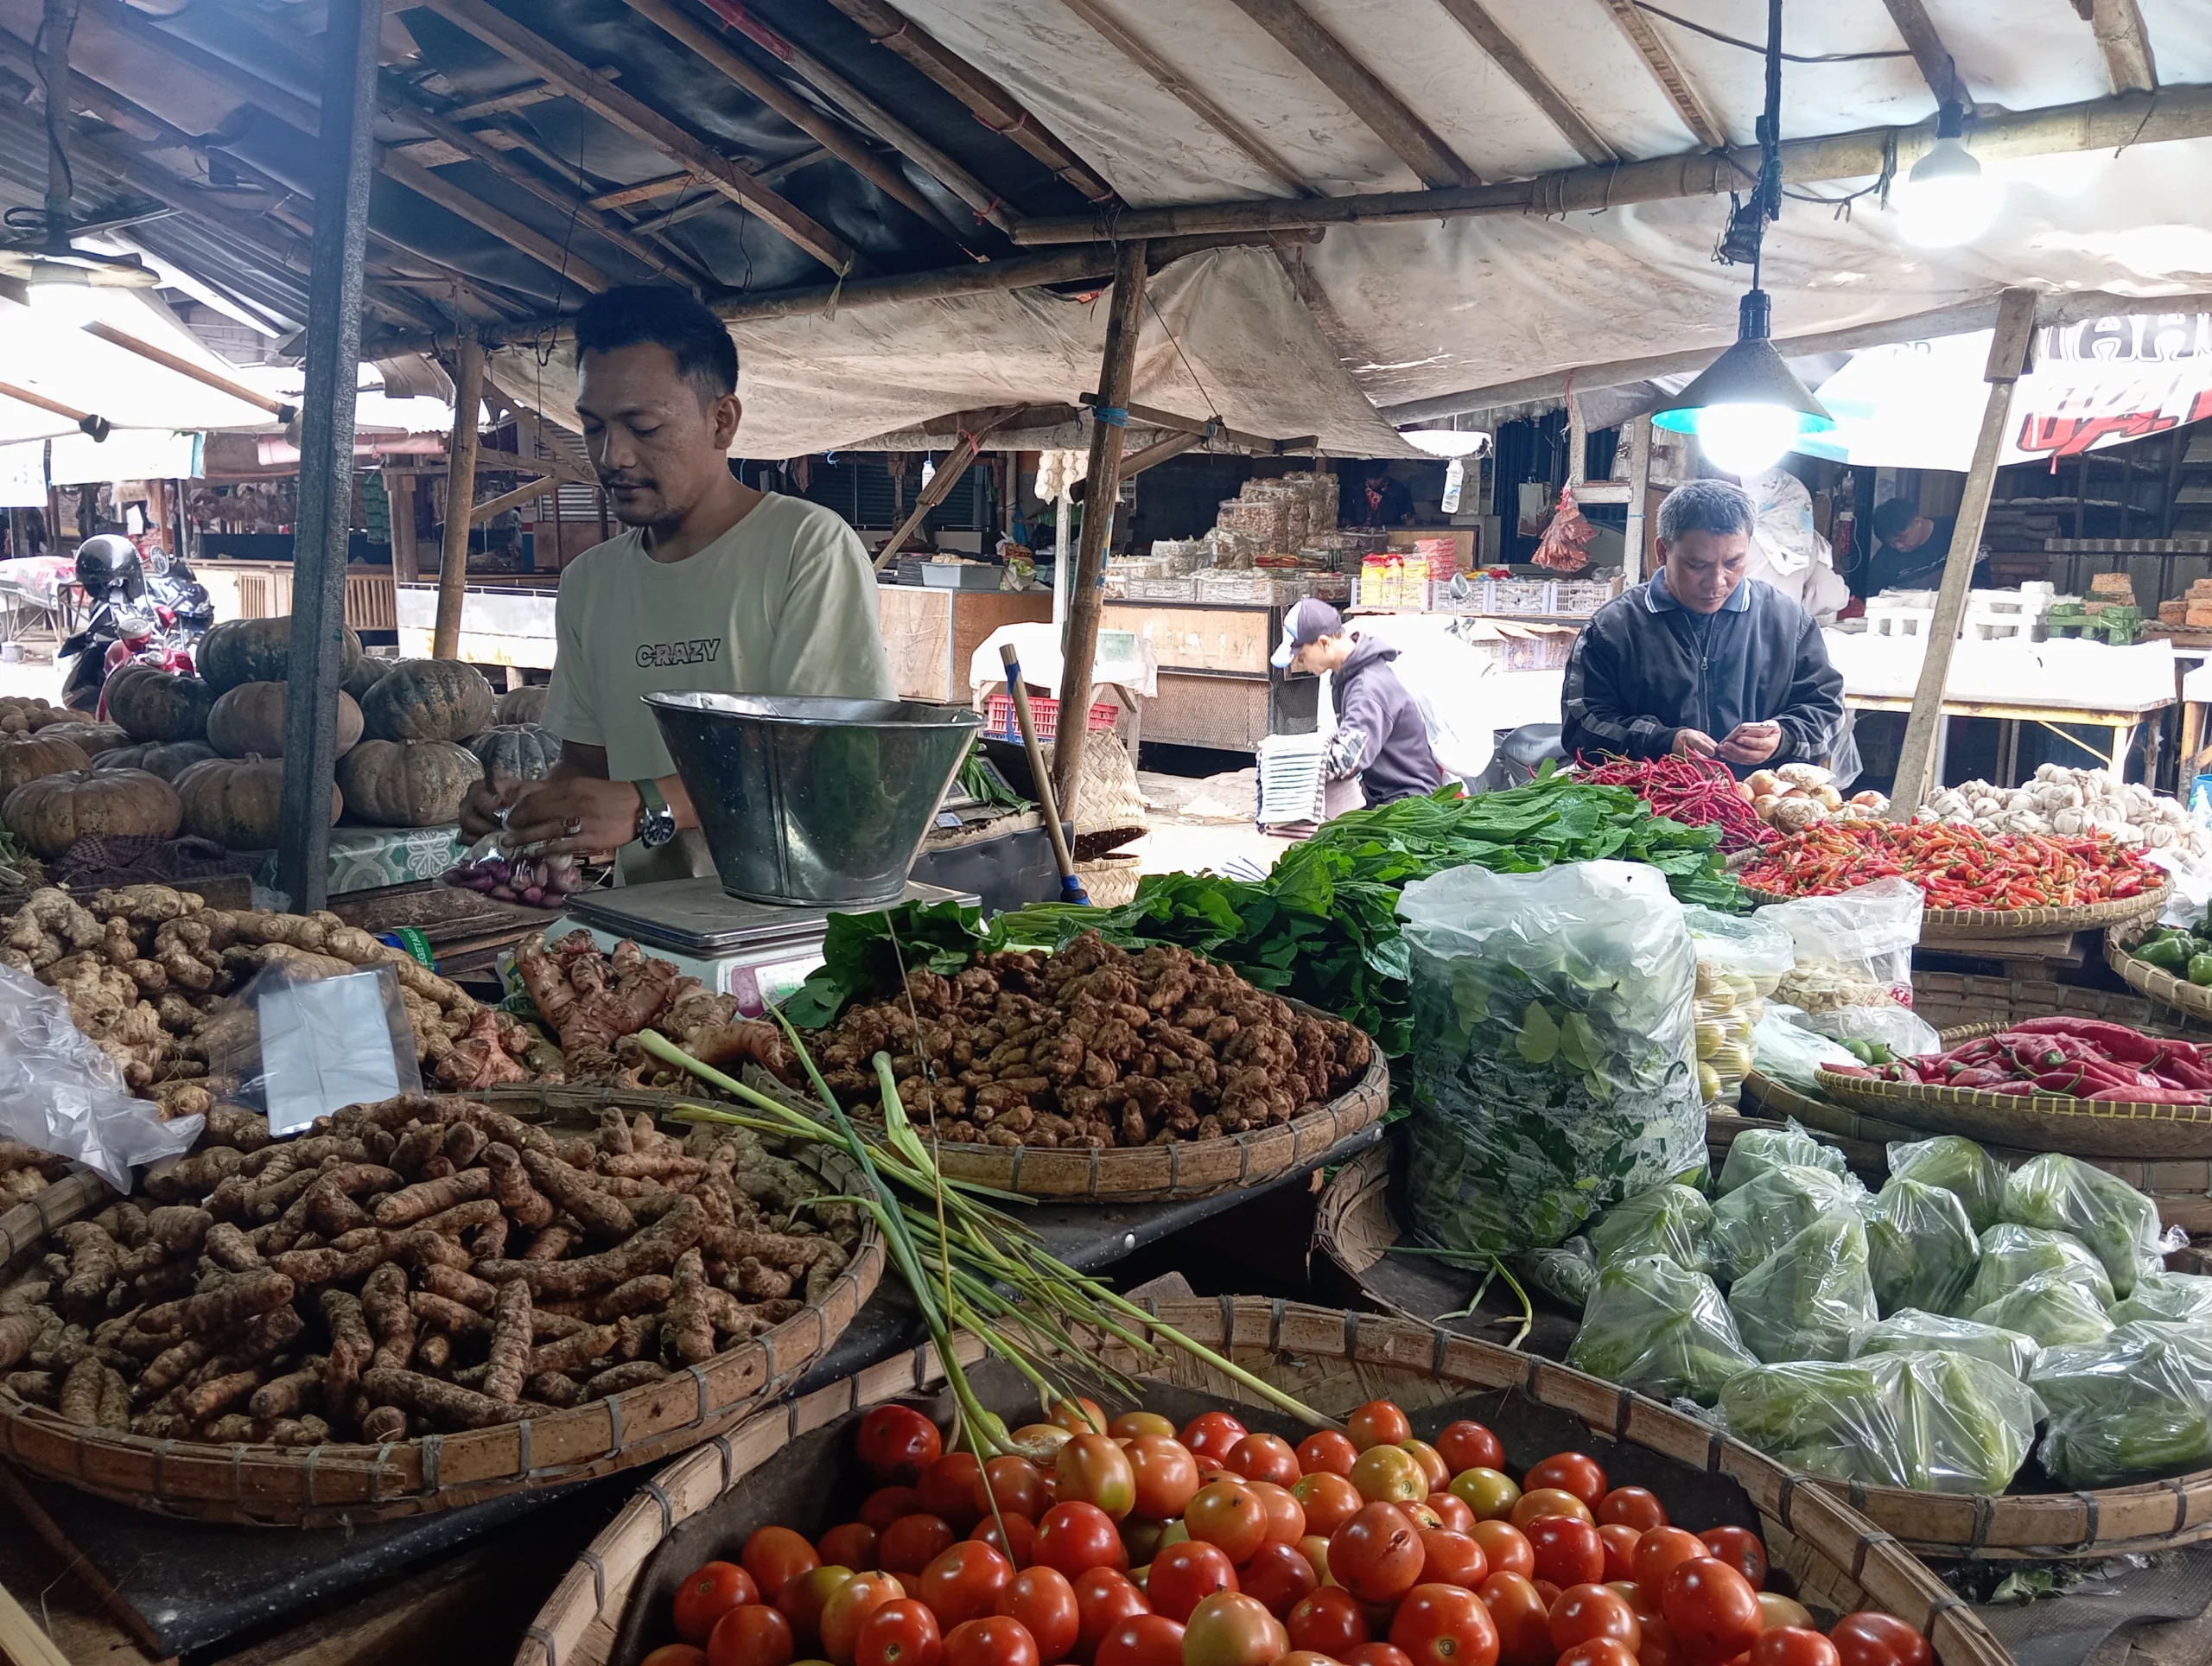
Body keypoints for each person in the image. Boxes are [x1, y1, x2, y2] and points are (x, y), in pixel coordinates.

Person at [458, 285, 893, 883]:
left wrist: (647, 804)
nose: (614, 457)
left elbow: (827, 759)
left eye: (643, 427)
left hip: (795, 930)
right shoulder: (592, 581)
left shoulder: (805, 547)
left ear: (722, 420)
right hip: (653, 938)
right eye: (593, 427)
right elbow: (588, 765)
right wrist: (526, 808)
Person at [1561, 479, 1845, 773]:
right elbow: (1581, 726)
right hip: (1649, 809)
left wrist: (1783, 738)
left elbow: (1827, 711)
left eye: (1734, 562)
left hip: (1756, 807)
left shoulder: (1787, 622)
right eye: (1698, 565)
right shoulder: (1613, 628)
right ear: (1662, 551)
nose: (1717, 582)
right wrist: (1661, 742)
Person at [1274, 598, 1443, 807]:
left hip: (1410, 802)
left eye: (1302, 656)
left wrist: (1281, 765)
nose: (1301, 664)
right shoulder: (1347, 675)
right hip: (1382, 794)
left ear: (1324, 643)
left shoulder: (1366, 688)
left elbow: (1344, 760)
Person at [1861, 497, 1986, 595]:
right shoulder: (1882, 562)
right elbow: (1875, 599)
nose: (1898, 546)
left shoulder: (1958, 532)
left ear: (1917, 522)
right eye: (1891, 543)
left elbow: (1980, 580)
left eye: (1902, 538)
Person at [1345, 462, 1414, 529]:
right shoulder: (1357, 490)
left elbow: (1409, 515)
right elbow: (1348, 516)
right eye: (1369, 479)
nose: (1373, 482)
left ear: (1385, 474)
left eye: (1377, 479)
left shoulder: (1399, 490)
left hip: (1390, 531)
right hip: (1362, 532)